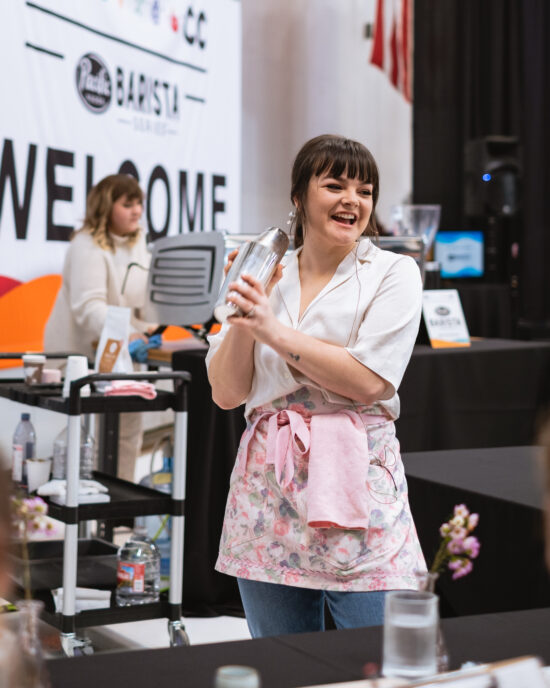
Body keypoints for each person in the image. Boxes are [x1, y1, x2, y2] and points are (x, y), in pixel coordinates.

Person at [206, 134, 427, 638]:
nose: (353, 199)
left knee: (376, 659)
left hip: (356, 482)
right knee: (283, 659)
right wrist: (245, 315)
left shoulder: (394, 272)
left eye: (365, 190)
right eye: (335, 185)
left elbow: (370, 381)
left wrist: (272, 330)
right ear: (299, 197)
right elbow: (225, 392)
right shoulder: (265, 272)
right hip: (267, 489)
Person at [44, 174, 156, 481]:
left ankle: (119, 514)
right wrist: (129, 332)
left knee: (128, 429)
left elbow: (144, 297)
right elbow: (88, 308)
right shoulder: (86, 244)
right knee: (85, 443)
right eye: (127, 204)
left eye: (139, 204)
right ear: (106, 207)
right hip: (81, 358)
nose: (137, 211)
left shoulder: (138, 242)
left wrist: (149, 326)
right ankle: (88, 517)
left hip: (120, 356)